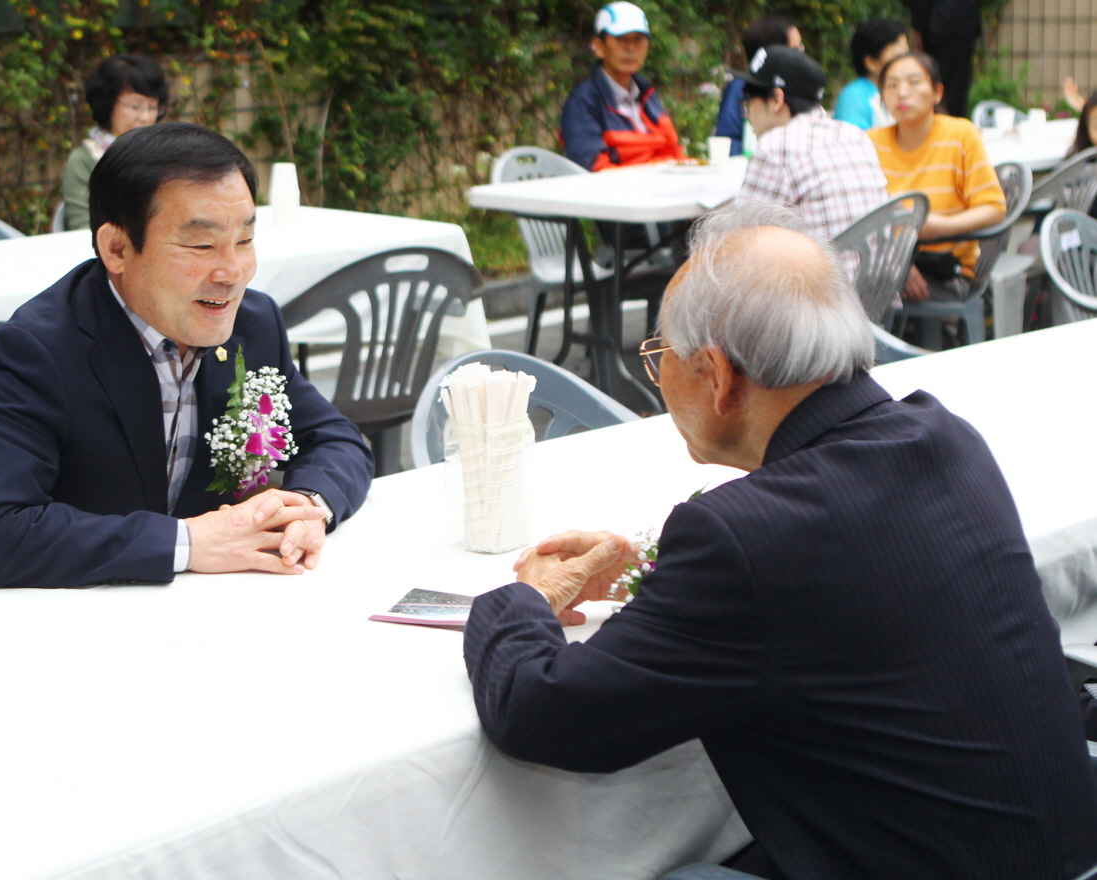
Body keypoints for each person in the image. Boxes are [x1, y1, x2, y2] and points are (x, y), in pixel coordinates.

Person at [463, 202, 1097, 880]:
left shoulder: (743, 538)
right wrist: (649, 569)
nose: (660, 377)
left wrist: (520, 599)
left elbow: (542, 713)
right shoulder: (945, 440)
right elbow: (844, 575)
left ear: (719, 375)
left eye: (659, 357)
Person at [0, 123, 375, 589]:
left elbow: (338, 440)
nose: (232, 272)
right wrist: (188, 542)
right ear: (116, 248)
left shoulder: (254, 323)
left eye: (245, 241)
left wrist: (306, 506)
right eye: (200, 245)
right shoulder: (37, 350)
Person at [868, 52, 1005, 302]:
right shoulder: (870, 142)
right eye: (892, 85)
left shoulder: (960, 135)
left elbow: (994, 208)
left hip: (946, 269)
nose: (902, 92)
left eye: (914, 81)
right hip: (886, 263)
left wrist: (941, 227)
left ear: (937, 92)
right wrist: (898, 264)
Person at [732, 45, 888, 240]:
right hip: (880, 269)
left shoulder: (775, 146)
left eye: (747, 103)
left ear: (776, 99)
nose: (746, 114)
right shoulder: (856, 136)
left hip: (825, 270)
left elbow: (741, 236)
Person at [559, 2, 684, 171]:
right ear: (599, 47)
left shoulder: (648, 95)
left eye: (638, 39)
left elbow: (673, 152)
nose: (631, 48)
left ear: (647, 47)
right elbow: (596, 170)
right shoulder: (582, 103)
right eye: (620, 39)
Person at [61, 54, 169, 231]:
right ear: (107, 103)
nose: (146, 117)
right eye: (135, 106)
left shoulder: (167, 154)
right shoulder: (84, 161)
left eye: (152, 107)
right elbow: (83, 229)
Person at [714, 15, 800, 157]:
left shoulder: (800, 88)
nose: (803, 57)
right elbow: (728, 142)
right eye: (796, 50)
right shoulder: (740, 88)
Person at [833, 18, 910, 130]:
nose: (908, 62)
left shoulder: (909, 91)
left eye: (907, 54)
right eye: (898, 57)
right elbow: (852, 142)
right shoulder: (854, 97)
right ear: (872, 63)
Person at [907, 0, 979, 119]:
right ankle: (950, 124)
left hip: (938, 24)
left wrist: (917, 28)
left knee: (937, 80)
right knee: (955, 84)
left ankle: (943, 125)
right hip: (961, 21)